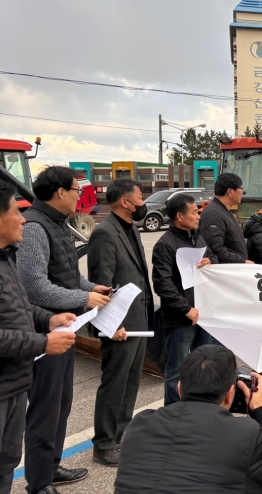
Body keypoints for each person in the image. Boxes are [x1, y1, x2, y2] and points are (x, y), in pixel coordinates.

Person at [16, 166, 111, 493]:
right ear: (59, 192)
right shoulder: (34, 228)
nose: (81, 196)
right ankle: (39, 483)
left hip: (66, 328)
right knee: (45, 409)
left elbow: (66, 276)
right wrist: (85, 297)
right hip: (44, 335)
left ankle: (51, 466)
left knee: (61, 404)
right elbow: (34, 287)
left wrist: (91, 287)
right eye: (76, 190)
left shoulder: (57, 224)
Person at [114, 345, 262, 494]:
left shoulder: (139, 424)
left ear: (179, 388)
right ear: (230, 393)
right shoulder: (243, 434)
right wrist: (260, 413)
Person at [0, 180, 77, 494]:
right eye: (15, 212)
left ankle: (48, 471)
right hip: (7, 379)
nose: (22, 218)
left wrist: (49, 318)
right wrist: (43, 342)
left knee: (6, 463)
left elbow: (22, 306)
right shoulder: (36, 229)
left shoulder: (5, 260)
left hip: (14, 381)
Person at [87, 179, 154, 467]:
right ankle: (103, 445)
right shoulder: (105, 233)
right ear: (125, 202)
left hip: (139, 319)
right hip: (119, 325)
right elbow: (102, 282)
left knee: (131, 381)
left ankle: (120, 436)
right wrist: (110, 324)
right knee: (115, 383)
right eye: (140, 197)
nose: (143, 203)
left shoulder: (131, 228)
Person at [152, 193, 217, 406]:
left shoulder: (197, 237)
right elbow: (163, 284)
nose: (199, 216)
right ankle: (172, 415)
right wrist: (186, 309)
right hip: (181, 318)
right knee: (177, 371)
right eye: (194, 212)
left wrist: (210, 261)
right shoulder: (165, 244)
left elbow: (213, 258)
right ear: (179, 216)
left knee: (201, 367)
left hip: (203, 314)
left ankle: (197, 409)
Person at [199, 173, 254, 265]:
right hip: (226, 272)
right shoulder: (213, 215)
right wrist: (242, 261)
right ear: (230, 191)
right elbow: (214, 249)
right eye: (241, 188)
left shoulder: (223, 211)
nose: (242, 192)